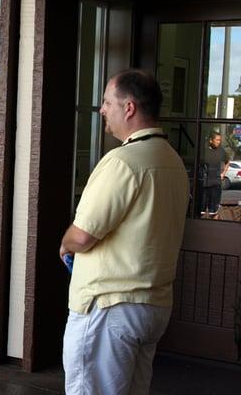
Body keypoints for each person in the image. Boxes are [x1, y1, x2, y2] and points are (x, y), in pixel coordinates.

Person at [59, 70, 189, 394]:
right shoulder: (173, 162)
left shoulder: (122, 162)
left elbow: (83, 235)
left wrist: (64, 244)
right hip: (153, 306)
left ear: (128, 108)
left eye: (106, 102)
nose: (102, 109)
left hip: (110, 307)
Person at [200, 132, 229, 216]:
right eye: (217, 140)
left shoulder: (221, 151)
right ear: (211, 140)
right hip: (205, 185)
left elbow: (227, 162)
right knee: (201, 211)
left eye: (220, 140)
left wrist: (223, 174)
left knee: (213, 212)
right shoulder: (204, 151)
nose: (219, 142)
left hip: (216, 185)